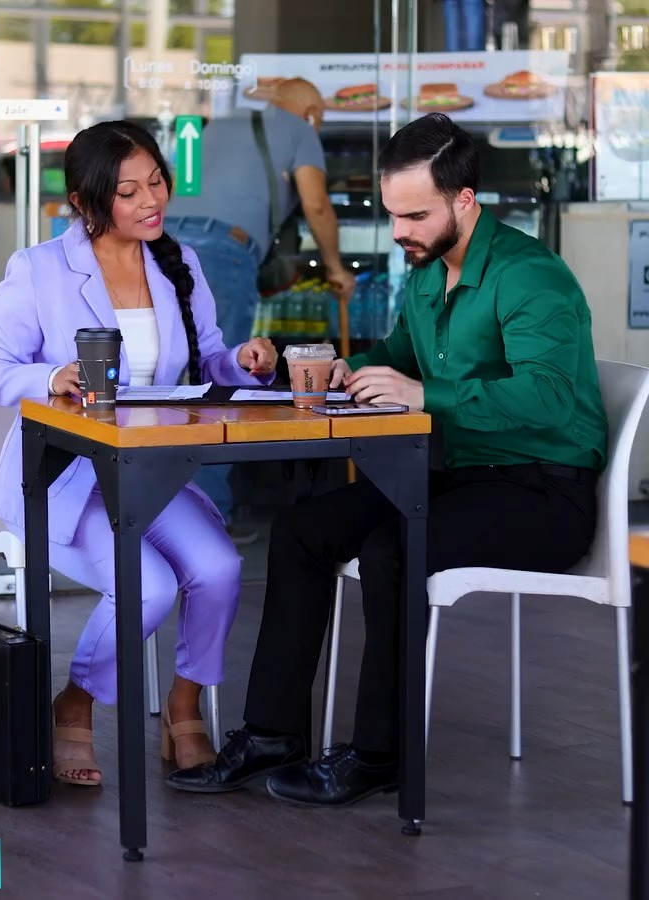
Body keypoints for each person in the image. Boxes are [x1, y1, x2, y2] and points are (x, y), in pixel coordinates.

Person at [165, 113, 608, 808]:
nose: (399, 230)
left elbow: (549, 398)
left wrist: (425, 393)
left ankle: (380, 755)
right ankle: (273, 733)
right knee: (303, 530)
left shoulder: (531, 278)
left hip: (543, 494)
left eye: (414, 215)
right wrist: (333, 369)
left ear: (465, 201)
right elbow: (394, 362)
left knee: (393, 548)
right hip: (455, 476)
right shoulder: (430, 275)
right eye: (391, 212)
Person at [0, 120, 278, 786]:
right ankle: (74, 706)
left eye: (157, 183)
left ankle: (184, 708)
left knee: (220, 568)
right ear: (85, 202)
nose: (151, 201)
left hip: (149, 473)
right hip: (68, 480)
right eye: (129, 191)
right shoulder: (39, 270)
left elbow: (208, 360)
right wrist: (49, 378)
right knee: (152, 586)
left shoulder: (180, 261)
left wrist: (246, 363)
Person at [164, 78, 355, 544]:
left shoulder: (213, 128)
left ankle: (155, 506)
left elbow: (170, 187)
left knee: (168, 378)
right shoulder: (299, 128)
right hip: (223, 251)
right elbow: (316, 204)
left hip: (162, 248)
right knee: (219, 384)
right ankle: (206, 520)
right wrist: (336, 268)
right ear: (311, 110)